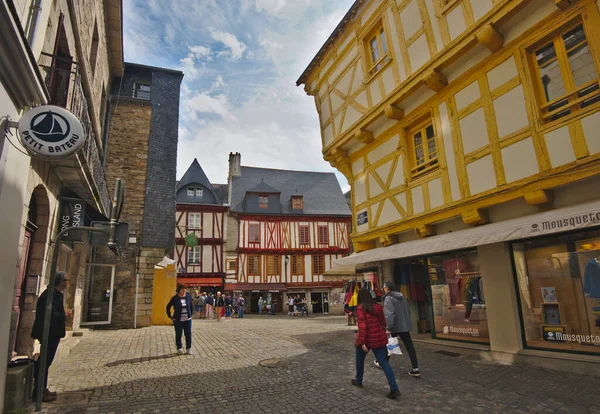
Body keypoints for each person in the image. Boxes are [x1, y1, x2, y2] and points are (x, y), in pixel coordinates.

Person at [352, 287, 400, 399]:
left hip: (367, 339)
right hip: (378, 338)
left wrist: (362, 342)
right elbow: (383, 322)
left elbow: (363, 327)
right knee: (384, 363)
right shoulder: (378, 307)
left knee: (359, 360)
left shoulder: (360, 308)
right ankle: (394, 388)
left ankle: (359, 380)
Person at [31, 271, 70, 402]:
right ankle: (38, 391)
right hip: (48, 332)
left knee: (46, 362)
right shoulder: (50, 296)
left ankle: (42, 389)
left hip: (53, 332)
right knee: (44, 362)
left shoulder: (56, 295)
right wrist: (64, 316)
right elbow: (49, 315)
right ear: (61, 282)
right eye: (67, 280)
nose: (68, 283)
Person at [376, 281, 419, 377]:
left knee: (389, 343)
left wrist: (389, 327)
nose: (384, 289)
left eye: (384, 287)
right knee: (409, 346)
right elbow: (408, 310)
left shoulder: (388, 299)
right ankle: (415, 368)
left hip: (395, 326)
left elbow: (389, 315)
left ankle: (381, 362)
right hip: (404, 326)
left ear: (387, 288)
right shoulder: (402, 296)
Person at [166, 284, 193, 355]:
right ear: (179, 290)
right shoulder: (175, 298)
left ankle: (188, 348)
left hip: (187, 319)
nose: (184, 292)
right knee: (178, 334)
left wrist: (190, 314)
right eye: (183, 291)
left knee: (188, 334)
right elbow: (168, 306)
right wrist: (169, 315)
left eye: (185, 291)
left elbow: (191, 306)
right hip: (178, 320)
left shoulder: (188, 296)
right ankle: (179, 348)